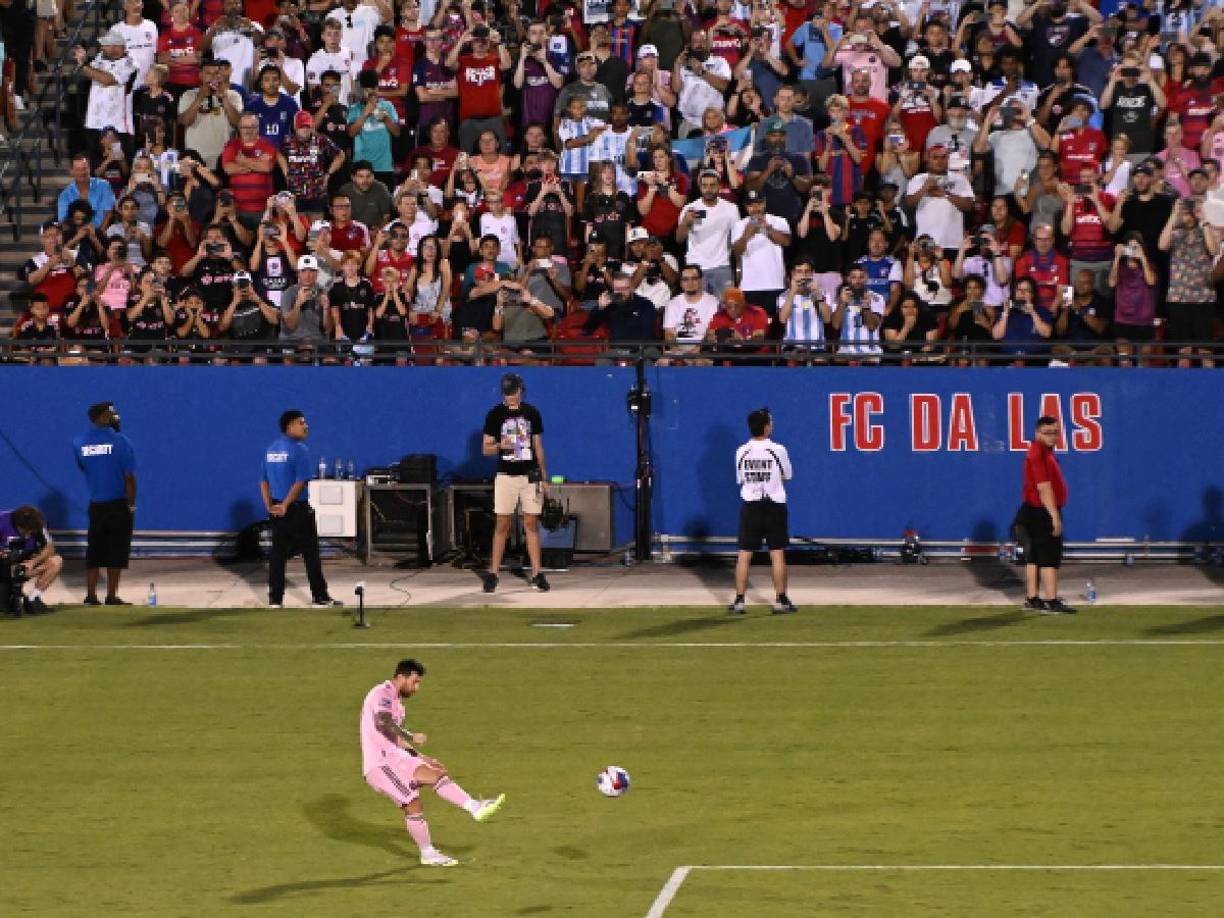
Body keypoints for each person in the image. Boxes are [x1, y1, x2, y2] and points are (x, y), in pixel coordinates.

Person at [360, 658, 506, 868]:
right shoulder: (382, 693)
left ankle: (475, 807)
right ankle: (428, 853)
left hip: (396, 757)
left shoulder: (398, 705)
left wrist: (420, 757)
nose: (416, 688)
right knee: (413, 805)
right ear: (401, 676)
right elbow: (382, 721)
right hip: (380, 764)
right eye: (415, 682)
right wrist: (411, 735)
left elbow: (396, 738)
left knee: (435, 773)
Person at [260, 409, 342, 608]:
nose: (306, 426)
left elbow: (263, 481)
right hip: (296, 510)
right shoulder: (299, 449)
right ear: (289, 426)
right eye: (301, 422)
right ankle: (320, 597)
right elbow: (300, 482)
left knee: (278, 555)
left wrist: (270, 505)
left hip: (277, 509)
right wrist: (286, 505)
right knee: (310, 553)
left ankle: (275, 599)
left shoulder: (271, 450)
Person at [480, 373, 550, 594]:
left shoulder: (532, 413)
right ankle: (493, 573)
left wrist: (544, 476)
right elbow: (486, 449)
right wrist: (501, 446)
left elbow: (538, 446)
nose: (510, 396)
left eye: (513, 392)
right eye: (507, 393)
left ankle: (537, 573)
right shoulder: (495, 414)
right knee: (502, 524)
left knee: (531, 523)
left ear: (521, 391)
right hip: (506, 476)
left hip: (529, 475)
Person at [728, 407, 796, 616]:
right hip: (774, 506)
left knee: (744, 555)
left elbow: (741, 478)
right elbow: (788, 475)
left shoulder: (741, 451)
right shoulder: (778, 450)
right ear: (766, 427)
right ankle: (780, 600)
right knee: (777, 554)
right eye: (770, 423)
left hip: (751, 507)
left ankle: (739, 601)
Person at [73, 401, 136, 606]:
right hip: (118, 504)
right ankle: (111, 596)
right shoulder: (122, 441)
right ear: (101, 417)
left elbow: (84, 468)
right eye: (111, 413)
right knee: (117, 549)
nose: (115, 416)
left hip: (96, 504)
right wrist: (131, 505)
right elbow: (129, 478)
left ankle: (91, 596)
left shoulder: (79, 442)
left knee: (94, 549)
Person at [1014, 415, 1075, 615]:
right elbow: (1044, 487)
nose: (1052, 436)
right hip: (1042, 510)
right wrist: (1054, 516)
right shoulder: (1038, 453)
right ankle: (1051, 601)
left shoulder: (1043, 452)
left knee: (1034, 557)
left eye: (1055, 432)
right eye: (1047, 432)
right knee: (1049, 556)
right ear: (1038, 433)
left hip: (1031, 510)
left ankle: (1032, 599)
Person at [0, 506, 62, 615]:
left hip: (24, 566)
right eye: (26, 531)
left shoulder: (38, 523)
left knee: (56, 561)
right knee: (5, 607)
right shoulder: (2, 520)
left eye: (31, 532)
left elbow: (50, 548)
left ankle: (33, 599)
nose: (28, 535)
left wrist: (33, 562)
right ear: (17, 524)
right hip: (3, 567)